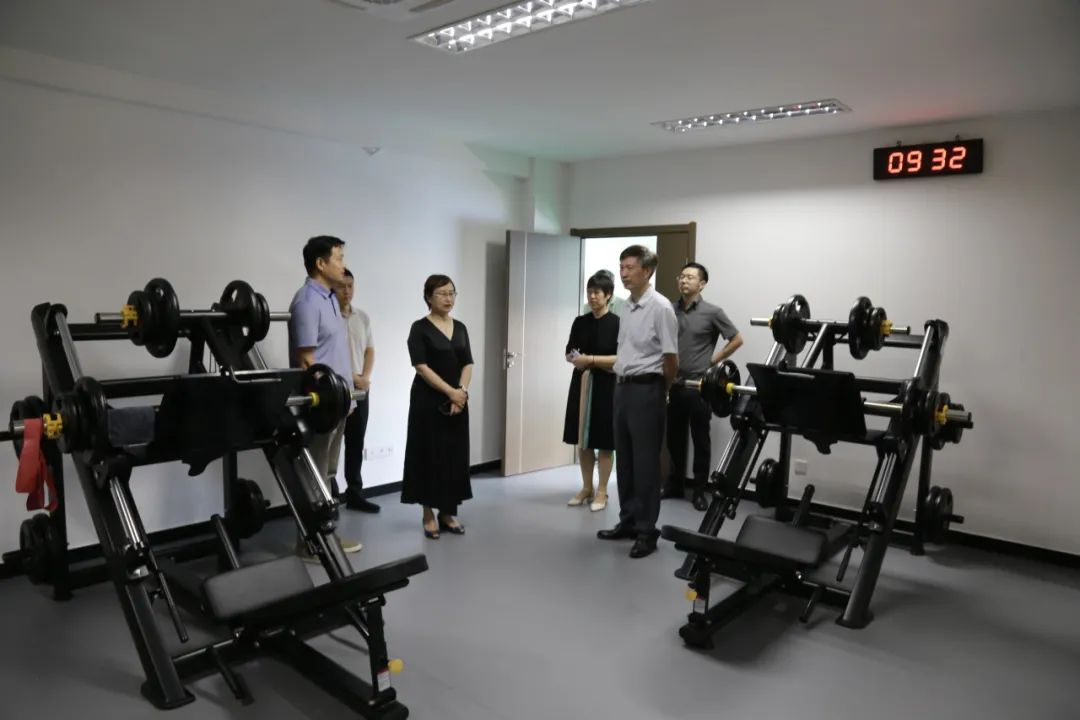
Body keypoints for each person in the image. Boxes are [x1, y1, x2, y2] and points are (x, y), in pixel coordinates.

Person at [597, 245, 678, 558]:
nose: (624, 273)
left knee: (645, 464)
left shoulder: (661, 308)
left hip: (648, 390)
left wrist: (662, 389)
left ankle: (647, 531)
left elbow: (671, 358)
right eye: (621, 267)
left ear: (647, 271)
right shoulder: (625, 307)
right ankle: (628, 521)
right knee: (626, 461)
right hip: (622, 389)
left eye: (630, 267)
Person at [288, 235, 362, 555]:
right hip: (321, 406)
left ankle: (325, 537)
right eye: (339, 258)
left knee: (328, 473)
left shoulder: (331, 298)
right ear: (321, 264)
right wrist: (329, 401)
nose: (343, 265)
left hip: (339, 403)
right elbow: (307, 361)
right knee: (314, 475)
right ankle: (309, 544)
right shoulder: (307, 301)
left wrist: (347, 398)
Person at [665, 262, 743, 511]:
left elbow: (737, 339)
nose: (684, 280)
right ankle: (675, 484)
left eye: (690, 277)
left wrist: (713, 360)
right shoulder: (668, 310)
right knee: (674, 439)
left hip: (699, 386)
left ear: (702, 284)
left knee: (700, 440)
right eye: (681, 276)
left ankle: (699, 491)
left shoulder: (713, 312)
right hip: (673, 385)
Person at [401, 275, 473, 539]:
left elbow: (468, 363)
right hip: (428, 401)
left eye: (452, 293)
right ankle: (428, 513)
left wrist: (461, 392)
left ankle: (447, 511)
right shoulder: (419, 328)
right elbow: (421, 367)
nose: (448, 298)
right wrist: (451, 392)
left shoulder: (461, 327)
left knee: (453, 456)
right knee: (429, 455)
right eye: (442, 293)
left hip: (458, 401)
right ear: (428, 297)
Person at [563, 270, 620, 511]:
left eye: (597, 292)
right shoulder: (580, 321)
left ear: (608, 295)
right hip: (582, 383)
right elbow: (569, 352)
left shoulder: (617, 323)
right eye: (589, 292)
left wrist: (591, 359)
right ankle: (587, 487)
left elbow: (621, 358)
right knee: (583, 440)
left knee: (605, 440)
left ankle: (602, 491)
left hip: (607, 385)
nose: (592, 296)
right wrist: (576, 358)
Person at [335, 268, 380, 513]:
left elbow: (370, 350)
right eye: (342, 286)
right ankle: (330, 497)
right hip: (335, 389)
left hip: (360, 389)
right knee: (331, 444)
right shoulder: (329, 317)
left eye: (350, 286)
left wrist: (365, 377)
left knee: (355, 442)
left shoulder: (362, 317)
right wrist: (353, 377)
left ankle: (355, 494)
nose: (347, 291)